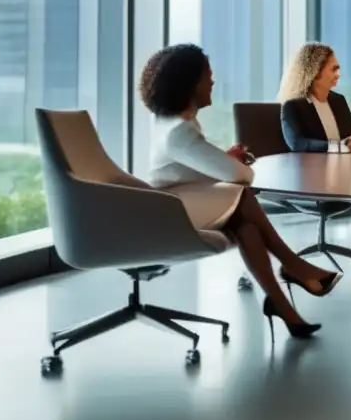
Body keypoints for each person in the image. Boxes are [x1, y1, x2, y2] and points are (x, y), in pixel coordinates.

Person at [141, 44, 340, 342]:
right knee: (242, 196)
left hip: (182, 201)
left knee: (247, 226)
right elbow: (242, 176)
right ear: (190, 83)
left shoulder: (173, 124)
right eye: (208, 76)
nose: (213, 82)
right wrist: (231, 163)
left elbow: (187, 168)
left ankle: (282, 304)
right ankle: (294, 265)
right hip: (170, 213)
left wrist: (222, 158)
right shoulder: (180, 132)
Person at [278, 43, 351, 154]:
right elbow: (298, 143)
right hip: (311, 169)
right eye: (333, 70)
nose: (338, 75)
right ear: (315, 72)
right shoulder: (293, 106)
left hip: (342, 167)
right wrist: (341, 147)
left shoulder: (338, 100)